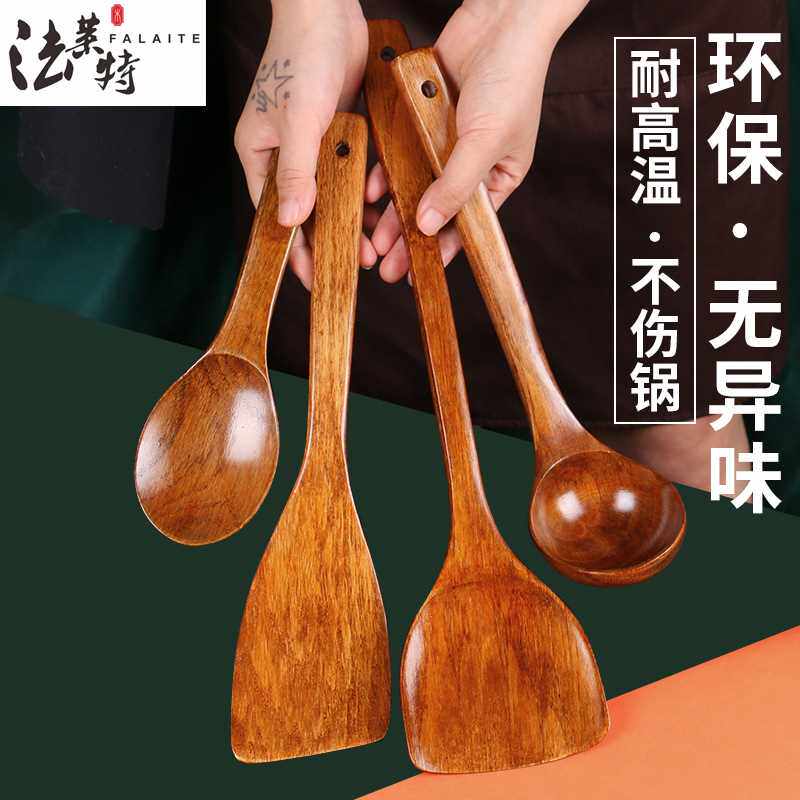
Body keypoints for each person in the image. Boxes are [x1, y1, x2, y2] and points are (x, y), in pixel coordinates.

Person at [228, 0, 789, 494]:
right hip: (325, 49)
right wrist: (309, 14)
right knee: (356, 404)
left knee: (680, 418)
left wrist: (522, 14)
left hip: (647, 42)